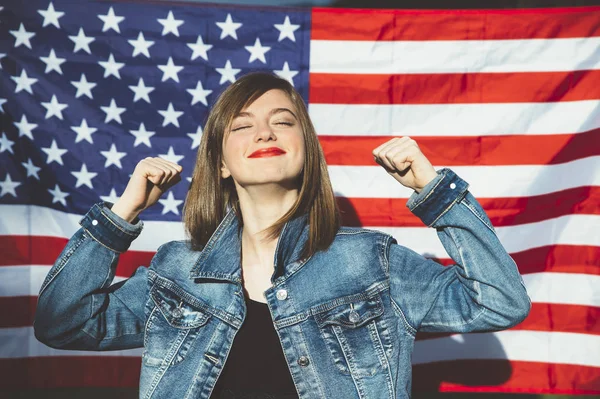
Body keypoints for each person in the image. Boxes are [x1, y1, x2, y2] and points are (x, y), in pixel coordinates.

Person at [33, 72, 531, 399]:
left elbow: (499, 302)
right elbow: (64, 323)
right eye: (242, 126)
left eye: (283, 122)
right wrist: (121, 215)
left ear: (307, 151)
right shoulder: (176, 269)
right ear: (222, 164)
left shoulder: (371, 262)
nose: (265, 133)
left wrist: (434, 190)